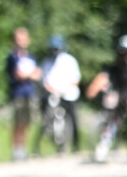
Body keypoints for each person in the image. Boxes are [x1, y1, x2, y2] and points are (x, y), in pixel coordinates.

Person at [85, 35, 127, 161]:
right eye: (122, 53)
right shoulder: (116, 66)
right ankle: (104, 145)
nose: (125, 56)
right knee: (111, 119)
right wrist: (93, 89)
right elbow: (103, 77)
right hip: (120, 101)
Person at [38, 33, 82, 152]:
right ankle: (43, 143)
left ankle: (76, 144)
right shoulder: (47, 62)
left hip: (69, 95)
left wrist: (65, 90)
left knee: (73, 118)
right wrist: (52, 90)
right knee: (47, 117)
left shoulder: (69, 60)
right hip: (54, 95)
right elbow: (45, 80)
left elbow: (76, 79)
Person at [5, 27, 40, 161]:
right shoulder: (12, 57)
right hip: (18, 93)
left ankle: (23, 149)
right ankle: (16, 151)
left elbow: (37, 74)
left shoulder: (31, 56)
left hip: (30, 93)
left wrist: (28, 75)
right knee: (18, 122)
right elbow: (17, 75)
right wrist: (29, 75)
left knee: (27, 123)